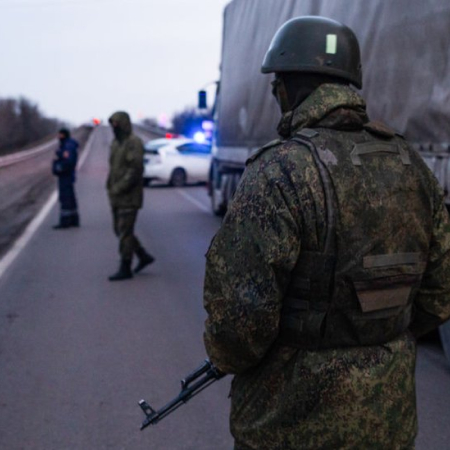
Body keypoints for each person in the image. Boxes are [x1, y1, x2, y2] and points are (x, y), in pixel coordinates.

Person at [203, 16, 450, 450]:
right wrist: (377, 336)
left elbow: (240, 326)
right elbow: (440, 291)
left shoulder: (280, 171)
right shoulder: (411, 164)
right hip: (387, 422)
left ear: (289, 86)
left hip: (289, 425)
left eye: (276, 84)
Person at [106, 111, 154, 281]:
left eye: (117, 124)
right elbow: (114, 168)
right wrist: (110, 186)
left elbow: (135, 170)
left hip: (129, 196)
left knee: (125, 232)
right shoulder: (115, 143)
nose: (114, 127)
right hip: (116, 195)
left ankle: (125, 265)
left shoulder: (134, 143)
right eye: (112, 124)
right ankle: (143, 255)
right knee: (119, 230)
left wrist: (119, 187)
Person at [52, 128, 80, 229]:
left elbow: (68, 161)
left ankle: (65, 221)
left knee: (65, 198)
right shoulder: (67, 144)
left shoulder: (68, 146)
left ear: (64, 135)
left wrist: (58, 168)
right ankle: (73, 219)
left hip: (66, 175)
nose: (59, 137)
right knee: (70, 197)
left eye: (60, 135)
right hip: (67, 175)